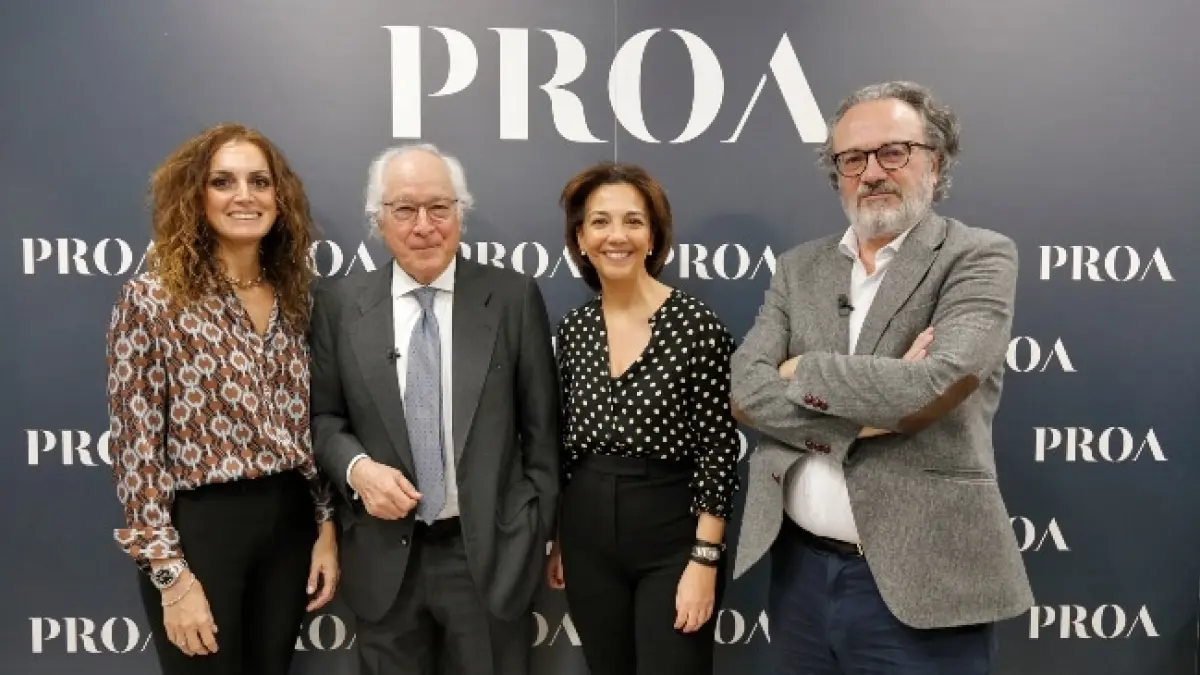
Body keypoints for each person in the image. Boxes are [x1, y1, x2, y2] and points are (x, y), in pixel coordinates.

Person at [730, 81, 1034, 675]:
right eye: (852, 159)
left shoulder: (978, 255)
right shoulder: (798, 268)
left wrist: (800, 369)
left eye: (893, 152)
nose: (871, 173)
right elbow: (746, 392)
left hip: (925, 583)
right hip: (800, 577)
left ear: (934, 161)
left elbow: (936, 387)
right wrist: (873, 401)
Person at [309, 143, 560, 675]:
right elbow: (323, 418)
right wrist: (357, 469)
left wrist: (532, 530)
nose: (424, 225)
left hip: (488, 557)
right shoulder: (340, 305)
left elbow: (542, 432)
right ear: (379, 219)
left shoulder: (512, 298)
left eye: (439, 208)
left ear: (459, 213)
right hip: (383, 560)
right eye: (404, 209)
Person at [105, 122, 339, 675]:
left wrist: (326, 528)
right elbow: (137, 452)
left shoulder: (298, 300)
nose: (244, 196)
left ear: (279, 198)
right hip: (202, 529)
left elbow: (315, 423)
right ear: (196, 196)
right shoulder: (152, 300)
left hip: (290, 525)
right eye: (223, 181)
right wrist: (170, 577)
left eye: (260, 181)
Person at [544, 162, 740, 675]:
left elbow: (718, 451)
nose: (617, 236)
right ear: (580, 239)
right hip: (586, 536)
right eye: (600, 222)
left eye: (633, 221)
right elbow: (565, 446)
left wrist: (704, 559)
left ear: (653, 237)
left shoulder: (697, 327)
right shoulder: (574, 329)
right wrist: (562, 539)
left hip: (672, 536)